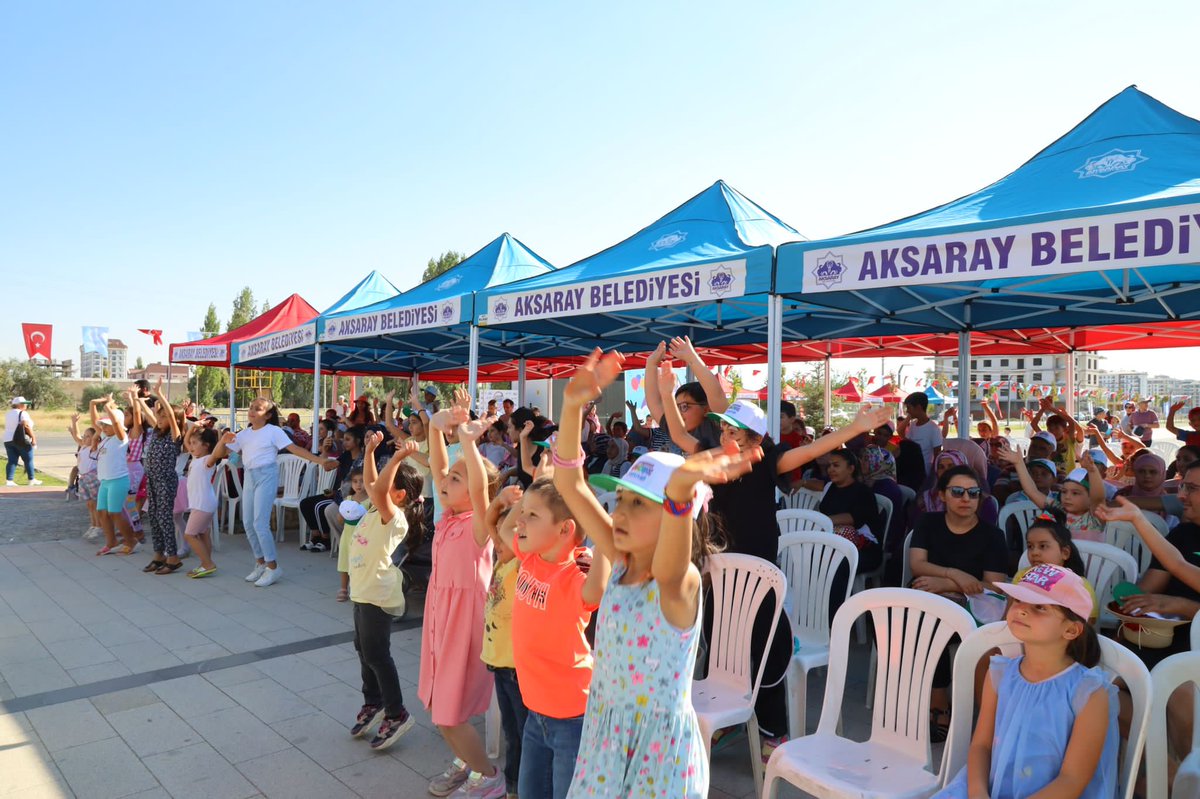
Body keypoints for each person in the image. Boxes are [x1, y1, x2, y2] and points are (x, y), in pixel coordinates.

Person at [553, 348, 761, 798]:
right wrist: (570, 409)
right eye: (620, 500)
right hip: (605, 740)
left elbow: (669, 566)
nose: (619, 513)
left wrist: (680, 490)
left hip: (659, 758)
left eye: (638, 503)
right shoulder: (621, 558)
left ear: (677, 517)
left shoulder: (680, 582)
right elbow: (569, 483)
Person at [934, 564, 1117, 799]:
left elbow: (1072, 780)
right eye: (1018, 600)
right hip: (990, 786)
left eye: (1039, 607)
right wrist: (978, 792)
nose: (1020, 610)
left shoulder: (1088, 692)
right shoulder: (999, 673)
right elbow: (981, 746)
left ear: (1071, 630)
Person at [491, 475, 607, 799]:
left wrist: (603, 545)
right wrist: (525, 496)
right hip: (535, 712)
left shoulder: (576, 572)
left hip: (571, 718)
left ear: (565, 529)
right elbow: (505, 530)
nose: (520, 521)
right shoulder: (530, 556)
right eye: (523, 512)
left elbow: (598, 587)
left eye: (532, 515)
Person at [422, 391, 502, 798]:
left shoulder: (478, 525)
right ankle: (465, 761)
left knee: (448, 712)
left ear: (473, 490)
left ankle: (488, 776)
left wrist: (469, 444)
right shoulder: (448, 518)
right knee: (440, 705)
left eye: (456, 479)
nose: (444, 480)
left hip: (464, 625)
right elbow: (438, 465)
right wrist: (437, 428)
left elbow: (480, 490)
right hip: (440, 617)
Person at [909, 464, 1009, 740]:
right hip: (926, 595)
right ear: (942, 495)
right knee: (894, 619)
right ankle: (906, 692)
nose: (966, 499)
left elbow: (992, 586)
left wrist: (947, 584)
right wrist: (954, 573)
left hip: (971, 607)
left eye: (973, 493)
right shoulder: (928, 523)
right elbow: (917, 564)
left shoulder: (992, 536)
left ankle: (938, 701)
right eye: (957, 492)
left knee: (933, 624)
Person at [347, 432, 421, 751]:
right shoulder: (374, 511)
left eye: (387, 483)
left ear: (399, 495)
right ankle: (373, 701)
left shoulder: (394, 518)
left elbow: (377, 489)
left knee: (377, 654)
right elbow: (372, 483)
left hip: (377, 594)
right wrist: (369, 452)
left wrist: (398, 458)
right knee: (363, 649)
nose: (375, 486)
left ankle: (396, 712)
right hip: (362, 591)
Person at [213, 397, 337, 587]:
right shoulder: (244, 434)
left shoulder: (273, 431)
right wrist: (223, 440)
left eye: (258, 408)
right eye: (251, 407)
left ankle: (273, 567)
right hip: (250, 476)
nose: (252, 410)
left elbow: (294, 449)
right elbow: (220, 454)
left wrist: (321, 461)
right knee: (248, 523)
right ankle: (261, 563)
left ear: (268, 415)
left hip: (266, 476)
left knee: (260, 523)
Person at [481, 491, 525, 799]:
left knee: (522, 733)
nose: (497, 541)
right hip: (498, 664)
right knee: (511, 732)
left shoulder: (521, 564)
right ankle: (512, 786)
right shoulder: (503, 559)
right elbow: (491, 524)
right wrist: (498, 504)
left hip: (516, 668)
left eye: (504, 535)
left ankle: (520, 787)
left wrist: (525, 500)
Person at [129, 381, 184, 574]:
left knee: (164, 517)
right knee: (153, 516)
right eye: (158, 416)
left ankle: (173, 557)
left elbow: (171, 415)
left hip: (165, 481)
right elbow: (149, 414)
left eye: (164, 417)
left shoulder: (174, 436)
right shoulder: (157, 433)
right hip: (152, 479)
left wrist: (159, 394)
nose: (159, 419)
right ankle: (158, 554)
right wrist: (136, 400)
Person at [998, 445, 1106, 542]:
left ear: (1089, 498)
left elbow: (1099, 498)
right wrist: (1019, 463)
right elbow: (1032, 491)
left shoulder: (1096, 518)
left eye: (1075, 493)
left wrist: (1092, 471)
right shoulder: (1059, 510)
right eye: (1064, 491)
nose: (1067, 497)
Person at [643, 337, 726, 455]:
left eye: (684, 406)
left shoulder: (718, 428)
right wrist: (651, 364)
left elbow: (716, 394)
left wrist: (691, 358)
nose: (678, 413)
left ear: (706, 408)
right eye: (676, 407)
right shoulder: (675, 426)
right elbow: (654, 403)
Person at [1014, 508, 1098, 624]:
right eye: (1030, 546)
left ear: (1064, 553)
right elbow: (1011, 611)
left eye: (1043, 546)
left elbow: (1088, 623)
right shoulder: (1022, 576)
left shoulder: (1079, 585)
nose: (1034, 552)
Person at [299, 425, 367, 553]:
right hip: (338, 494)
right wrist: (325, 451)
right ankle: (316, 535)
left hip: (351, 496)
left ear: (358, 441)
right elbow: (327, 467)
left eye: (348, 439)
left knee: (320, 507)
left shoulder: (364, 459)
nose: (344, 442)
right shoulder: (346, 455)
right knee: (305, 503)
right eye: (344, 439)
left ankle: (326, 539)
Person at [817, 449, 883, 570]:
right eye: (829, 466)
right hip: (834, 543)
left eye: (836, 465)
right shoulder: (831, 487)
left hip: (863, 548)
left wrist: (821, 521)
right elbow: (822, 510)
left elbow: (853, 518)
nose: (830, 469)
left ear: (851, 469)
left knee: (834, 564)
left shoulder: (863, 492)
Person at [90, 396, 139, 555]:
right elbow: (94, 422)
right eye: (103, 425)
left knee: (114, 513)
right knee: (102, 512)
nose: (104, 427)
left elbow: (117, 424)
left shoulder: (120, 437)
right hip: (105, 481)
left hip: (118, 480)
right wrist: (92, 404)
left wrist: (108, 407)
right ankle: (111, 542)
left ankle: (131, 541)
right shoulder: (106, 438)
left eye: (107, 425)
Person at [182, 423, 222, 578]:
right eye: (191, 443)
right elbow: (185, 441)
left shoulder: (207, 460)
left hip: (202, 504)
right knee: (203, 534)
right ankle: (206, 563)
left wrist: (222, 440)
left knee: (190, 535)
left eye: (195, 443)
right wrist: (192, 429)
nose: (191, 446)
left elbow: (217, 453)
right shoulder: (196, 457)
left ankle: (207, 564)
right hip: (202, 504)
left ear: (206, 445)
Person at [68, 413, 102, 538]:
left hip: (92, 477)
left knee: (94, 503)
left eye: (88, 436)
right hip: (83, 478)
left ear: (94, 438)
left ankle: (98, 526)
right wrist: (74, 422)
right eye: (85, 435)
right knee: (89, 504)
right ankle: (93, 525)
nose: (85, 438)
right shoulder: (83, 446)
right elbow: (76, 436)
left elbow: (97, 433)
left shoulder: (94, 448)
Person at [898, 391, 942, 470]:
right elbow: (901, 434)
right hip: (911, 468)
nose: (907, 411)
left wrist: (933, 474)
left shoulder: (934, 428)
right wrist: (909, 417)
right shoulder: (913, 424)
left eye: (909, 407)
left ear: (918, 407)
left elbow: (937, 455)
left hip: (924, 470)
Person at [4, 396, 39, 486]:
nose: (26, 405)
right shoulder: (23, 413)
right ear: (19, 405)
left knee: (12, 460)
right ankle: (31, 479)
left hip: (8, 439)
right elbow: (26, 426)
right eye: (24, 404)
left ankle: (9, 480)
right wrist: (33, 438)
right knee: (28, 459)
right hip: (21, 439)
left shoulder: (8, 414)